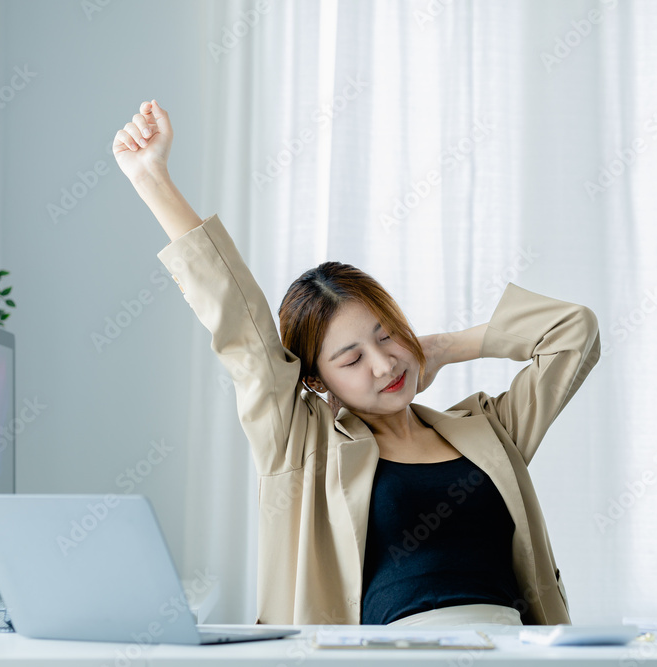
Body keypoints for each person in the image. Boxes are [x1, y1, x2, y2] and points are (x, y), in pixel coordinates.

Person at [113, 99, 602, 627]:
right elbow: (242, 329)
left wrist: (443, 346)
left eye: (386, 335)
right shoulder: (304, 446)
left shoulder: (490, 430)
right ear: (316, 380)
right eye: (351, 359)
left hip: (514, 651)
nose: (384, 364)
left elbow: (573, 332)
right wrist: (151, 178)